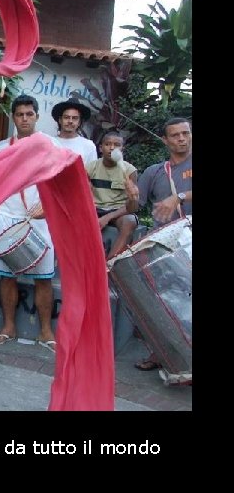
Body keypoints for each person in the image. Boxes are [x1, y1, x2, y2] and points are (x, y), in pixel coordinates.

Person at [0, 94, 59, 352]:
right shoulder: (2, 148)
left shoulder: (50, 146)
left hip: (40, 220)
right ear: (13, 117)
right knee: (7, 278)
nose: (24, 119)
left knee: (43, 279)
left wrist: (48, 207)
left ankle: (46, 332)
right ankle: (8, 328)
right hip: (7, 217)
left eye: (29, 114)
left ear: (37, 116)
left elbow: (60, 185)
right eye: (19, 114)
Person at [133, 117, 192, 372]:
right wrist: (130, 195)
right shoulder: (154, 172)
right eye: (175, 135)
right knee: (163, 301)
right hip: (164, 245)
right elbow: (135, 206)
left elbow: (179, 198)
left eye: (186, 133)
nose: (182, 139)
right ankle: (160, 353)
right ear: (164, 140)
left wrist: (179, 197)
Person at [85, 131, 140, 260]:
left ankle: (109, 264)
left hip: (118, 211)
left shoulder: (130, 171)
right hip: (94, 209)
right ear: (100, 148)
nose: (111, 148)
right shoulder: (89, 168)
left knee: (130, 221)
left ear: (122, 149)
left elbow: (132, 208)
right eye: (107, 144)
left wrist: (108, 217)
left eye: (117, 145)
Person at [51, 97, 97, 164]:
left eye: (75, 118)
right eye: (66, 117)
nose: (70, 121)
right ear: (60, 120)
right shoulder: (50, 143)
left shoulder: (88, 146)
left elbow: (91, 170)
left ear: (79, 122)